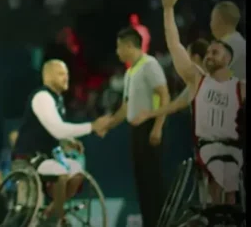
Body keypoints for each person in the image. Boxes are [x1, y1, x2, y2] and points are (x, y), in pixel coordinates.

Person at [137, 0, 245, 205]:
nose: (208, 56)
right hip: (209, 157)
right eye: (208, 53)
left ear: (228, 59)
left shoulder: (239, 86)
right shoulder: (199, 80)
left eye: (215, 52)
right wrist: (168, 10)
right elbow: (174, 46)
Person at [13, 60, 111, 225]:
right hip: (28, 160)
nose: (66, 77)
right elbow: (57, 129)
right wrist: (92, 126)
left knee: (76, 171)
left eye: (67, 73)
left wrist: (67, 142)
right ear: (48, 76)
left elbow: (52, 133)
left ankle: (53, 210)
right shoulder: (42, 97)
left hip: (46, 158)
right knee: (60, 172)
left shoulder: (57, 100)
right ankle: (56, 219)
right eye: (61, 74)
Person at [104, 27, 171, 227]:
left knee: (153, 183)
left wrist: (158, 127)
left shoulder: (150, 64)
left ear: (129, 45)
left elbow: (164, 95)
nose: (117, 52)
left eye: (119, 47)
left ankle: (161, 222)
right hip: (136, 132)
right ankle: (149, 222)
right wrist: (107, 125)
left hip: (149, 129)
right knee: (142, 184)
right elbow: (126, 108)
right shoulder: (130, 72)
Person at [130, 39, 209, 123]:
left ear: (195, 57)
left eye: (187, 54)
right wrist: (148, 114)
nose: (184, 58)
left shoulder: (204, 81)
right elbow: (175, 105)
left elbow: (176, 105)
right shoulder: (197, 82)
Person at [210, 1, 246, 80]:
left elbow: (209, 81)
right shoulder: (238, 41)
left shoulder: (228, 46)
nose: (210, 24)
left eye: (212, 19)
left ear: (219, 19)